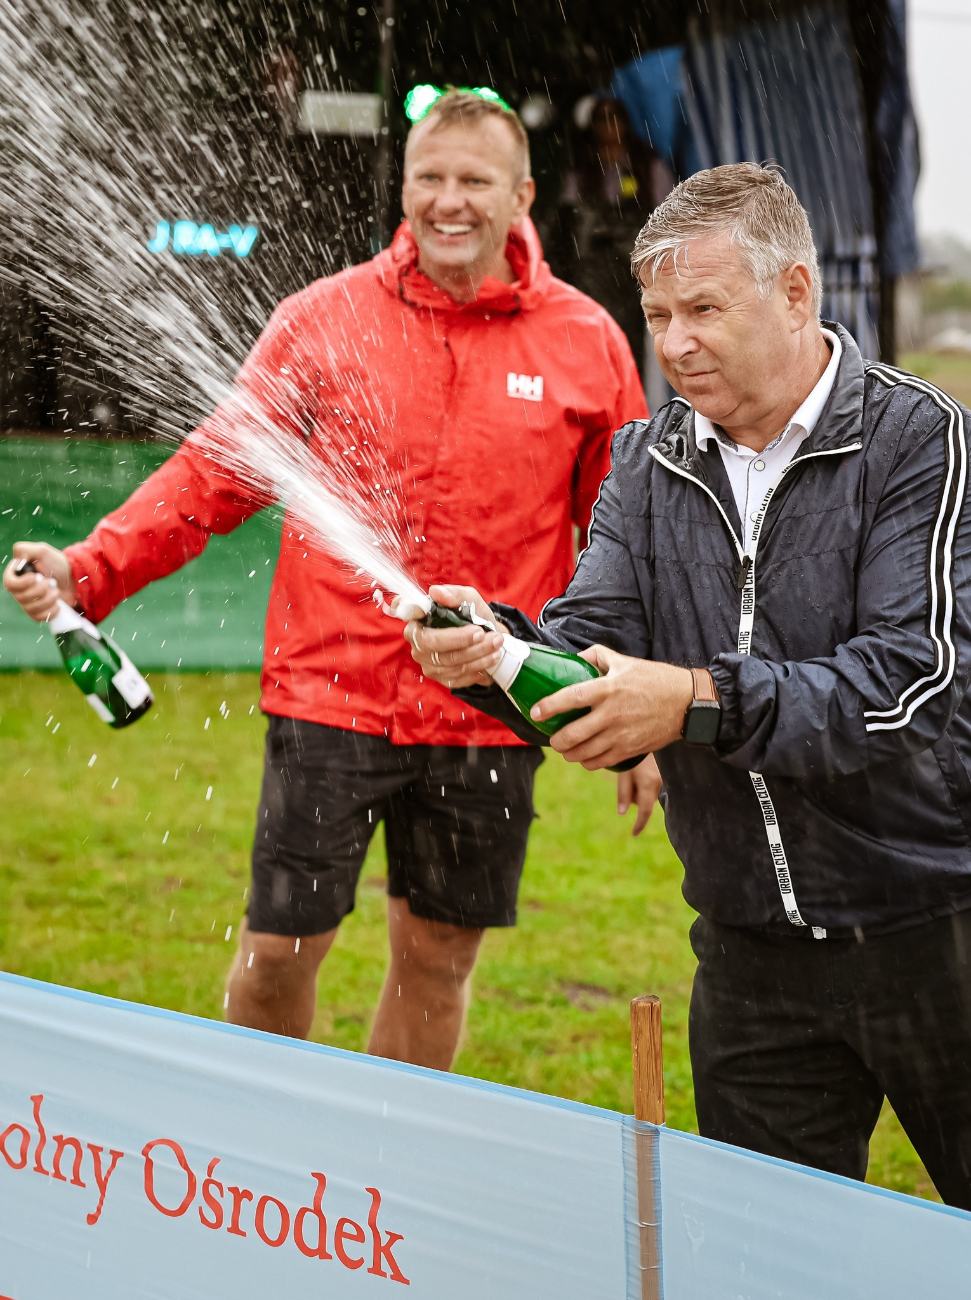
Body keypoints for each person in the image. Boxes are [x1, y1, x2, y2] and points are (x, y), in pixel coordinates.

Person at [3, 89, 652, 1071]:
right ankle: (266, 1174)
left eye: (473, 180)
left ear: (521, 194)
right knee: (277, 952)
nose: (447, 201)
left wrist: (632, 696)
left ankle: (379, 1182)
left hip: (490, 707)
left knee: (436, 960)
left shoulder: (587, 343)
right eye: (427, 178)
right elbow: (213, 472)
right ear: (402, 186)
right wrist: (88, 570)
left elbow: (622, 541)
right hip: (330, 697)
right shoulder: (321, 318)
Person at [406, 162, 971, 1206]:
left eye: (702, 308)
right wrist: (491, 655)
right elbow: (590, 655)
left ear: (795, 292)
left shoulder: (916, 438)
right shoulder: (644, 457)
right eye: (656, 313)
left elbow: (909, 684)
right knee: (764, 1267)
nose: (671, 344)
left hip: (934, 929)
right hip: (746, 956)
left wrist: (691, 701)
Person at [548, 97, 673, 360]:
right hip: (590, 274)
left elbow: (670, 219)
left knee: (633, 345)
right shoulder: (581, 171)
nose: (608, 125)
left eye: (614, 117)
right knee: (590, 340)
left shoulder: (648, 166)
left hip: (635, 273)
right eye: (601, 119)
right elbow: (567, 222)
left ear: (625, 123)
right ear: (593, 126)